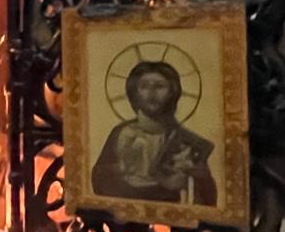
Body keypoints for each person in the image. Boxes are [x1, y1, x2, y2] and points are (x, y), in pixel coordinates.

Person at [91, 58, 217, 208]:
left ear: (173, 92)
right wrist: (162, 186)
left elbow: (207, 199)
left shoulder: (183, 140)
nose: (152, 93)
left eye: (159, 86)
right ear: (134, 92)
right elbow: (102, 181)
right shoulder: (122, 134)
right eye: (144, 86)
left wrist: (199, 178)